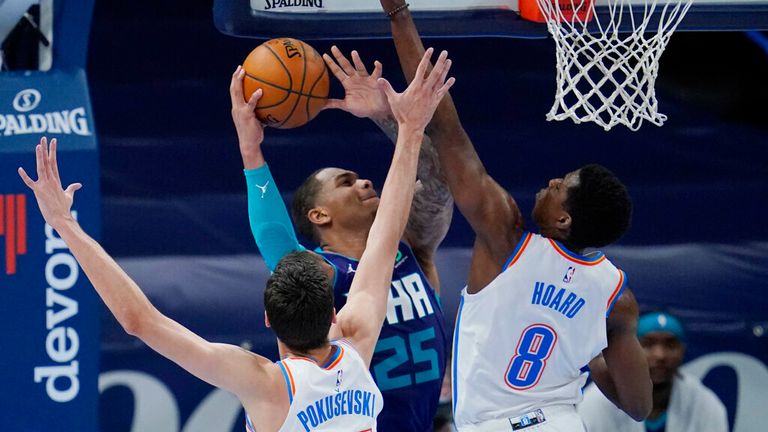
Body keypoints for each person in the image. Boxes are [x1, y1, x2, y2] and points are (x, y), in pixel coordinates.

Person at [19, 50, 453, 432]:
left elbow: (140, 321)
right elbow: (384, 236)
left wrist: (66, 226)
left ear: (268, 318)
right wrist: (410, 128)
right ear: (334, 310)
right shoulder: (359, 344)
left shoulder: (266, 386)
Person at [378, 1, 653, 430]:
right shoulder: (616, 295)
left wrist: (398, 14)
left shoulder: (505, 236)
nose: (549, 183)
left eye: (559, 187)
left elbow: (446, 128)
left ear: (563, 220)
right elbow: (638, 406)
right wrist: (580, 348)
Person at [231, 45, 455, 430]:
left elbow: (437, 186)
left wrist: (388, 117)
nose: (364, 181)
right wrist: (251, 151)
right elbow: (277, 246)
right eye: (345, 183)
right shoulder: (324, 275)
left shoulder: (411, 248)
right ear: (319, 215)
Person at [578, 311, 729, 432]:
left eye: (670, 345)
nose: (660, 355)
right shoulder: (596, 402)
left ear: (682, 351)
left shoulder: (704, 402)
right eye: (648, 345)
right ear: (630, 350)